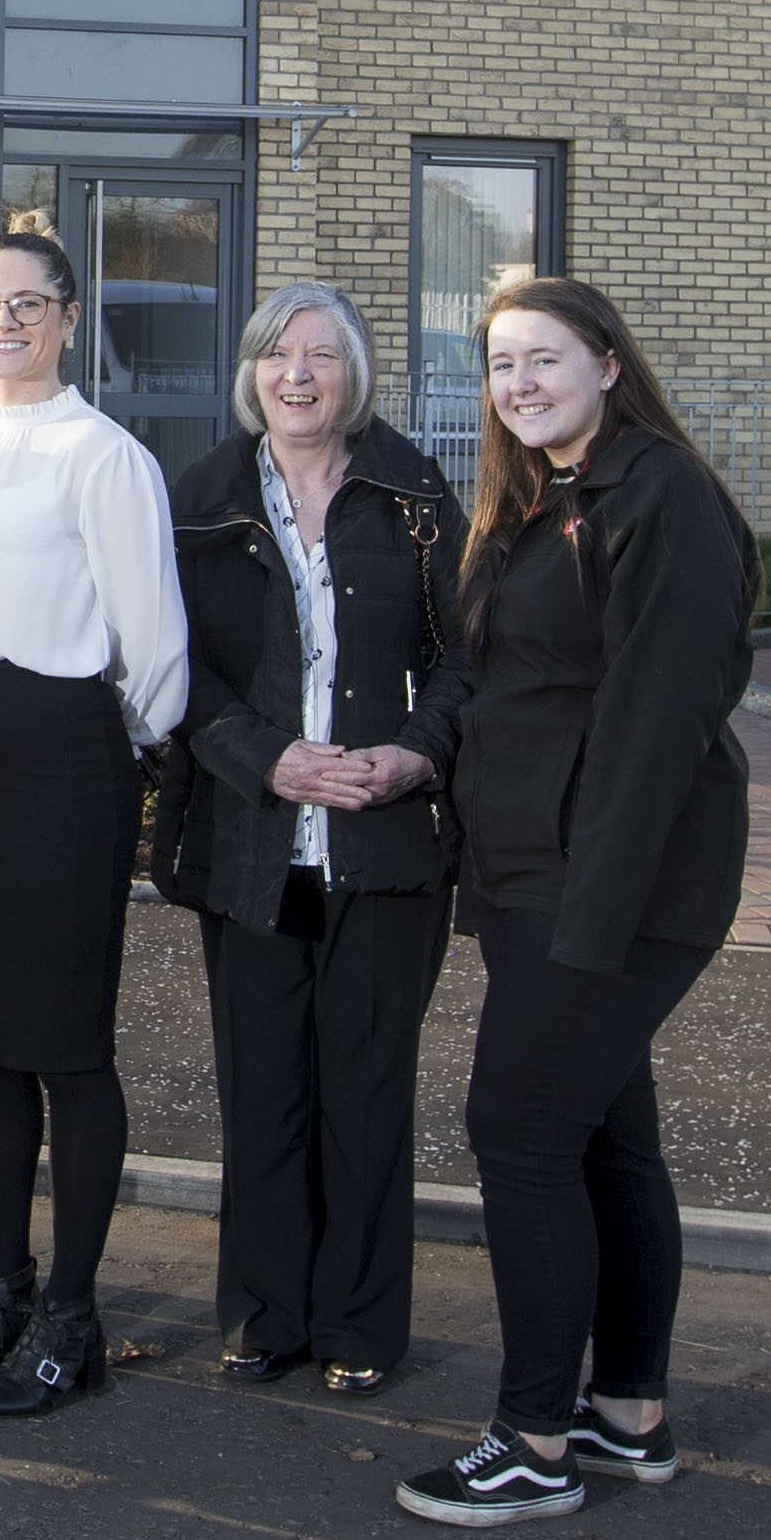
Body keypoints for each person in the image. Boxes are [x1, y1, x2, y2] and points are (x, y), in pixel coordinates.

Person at [398, 277, 757, 1531]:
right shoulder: (540, 500)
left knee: (520, 1129)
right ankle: (628, 1417)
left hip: (611, 892)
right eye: (500, 365)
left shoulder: (663, 499)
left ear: (609, 361)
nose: (520, 384)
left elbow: (656, 731)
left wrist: (586, 928)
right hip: (532, 882)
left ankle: (533, 1439)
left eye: (544, 359)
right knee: (605, 1137)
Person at [164, 280, 467, 1398]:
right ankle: (262, 1313)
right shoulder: (199, 497)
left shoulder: (414, 494)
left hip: (383, 850)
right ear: (251, 374)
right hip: (251, 845)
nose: (297, 374)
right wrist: (264, 756)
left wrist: (419, 753)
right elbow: (171, 669)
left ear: (357, 376)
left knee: (368, 1092)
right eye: (277, 356)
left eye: (321, 357)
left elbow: (462, 655)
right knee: (263, 1094)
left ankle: (361, 1326)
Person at [0, 226, 186, 1420]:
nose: (3, 321)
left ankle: (74, 1307)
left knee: (66, 1044)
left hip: (68, 756)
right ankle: (3, 1289)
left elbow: (157, 649)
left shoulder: (105, 457)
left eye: (29, 302)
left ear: (72, 317)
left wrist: (104, 754)